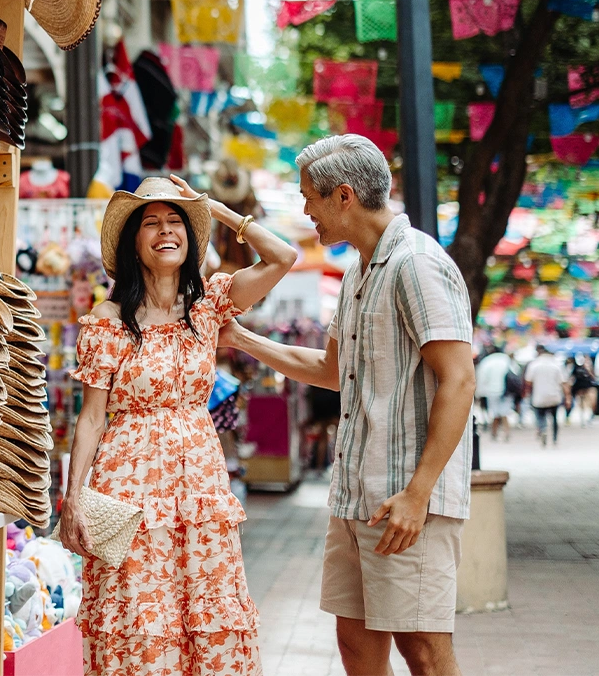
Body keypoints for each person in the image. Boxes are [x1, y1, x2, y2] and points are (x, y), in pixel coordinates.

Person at [217, 135, 476, 676]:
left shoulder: (417, 264)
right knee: (355, 642)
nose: (306, 210)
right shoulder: (360, 272)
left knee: (422, 648)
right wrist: (239, 338)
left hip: (406, 499)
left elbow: (458, 381)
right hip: (358, 493)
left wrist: (418, 493)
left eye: (309, 197)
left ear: (343, 196)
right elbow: (331, 372)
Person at [60, 175, 296, 675]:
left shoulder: (209, 306)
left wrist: (211, 207)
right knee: (139, 615)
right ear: (133, 242)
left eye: (176, 222)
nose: (165, 231)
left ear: (190, 236)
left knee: (206, 609)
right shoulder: (108, 319)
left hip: (200, 490)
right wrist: (73, 498)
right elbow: (92, 416)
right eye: (152, 223)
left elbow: (283, 258)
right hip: (129, 490)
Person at [524, 345, 568, 447]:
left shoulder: (534, 364)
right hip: (554, 395)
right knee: (554, 418)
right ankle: (555, 438)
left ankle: (543, 429)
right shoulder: (557, 364)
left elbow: (528, 381)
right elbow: (563, 382)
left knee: (540, 416)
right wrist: (567, 397)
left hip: (539, 396)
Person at [475, 345, 516, 440]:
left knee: (494, 413)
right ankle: (506, 433)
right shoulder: (506, 360)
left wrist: (479, 393)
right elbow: (515, 374)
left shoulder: (487, 361)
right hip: (506, 391)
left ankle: (494, 433)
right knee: (505, 412)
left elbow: (482, 378)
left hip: (491, 391)